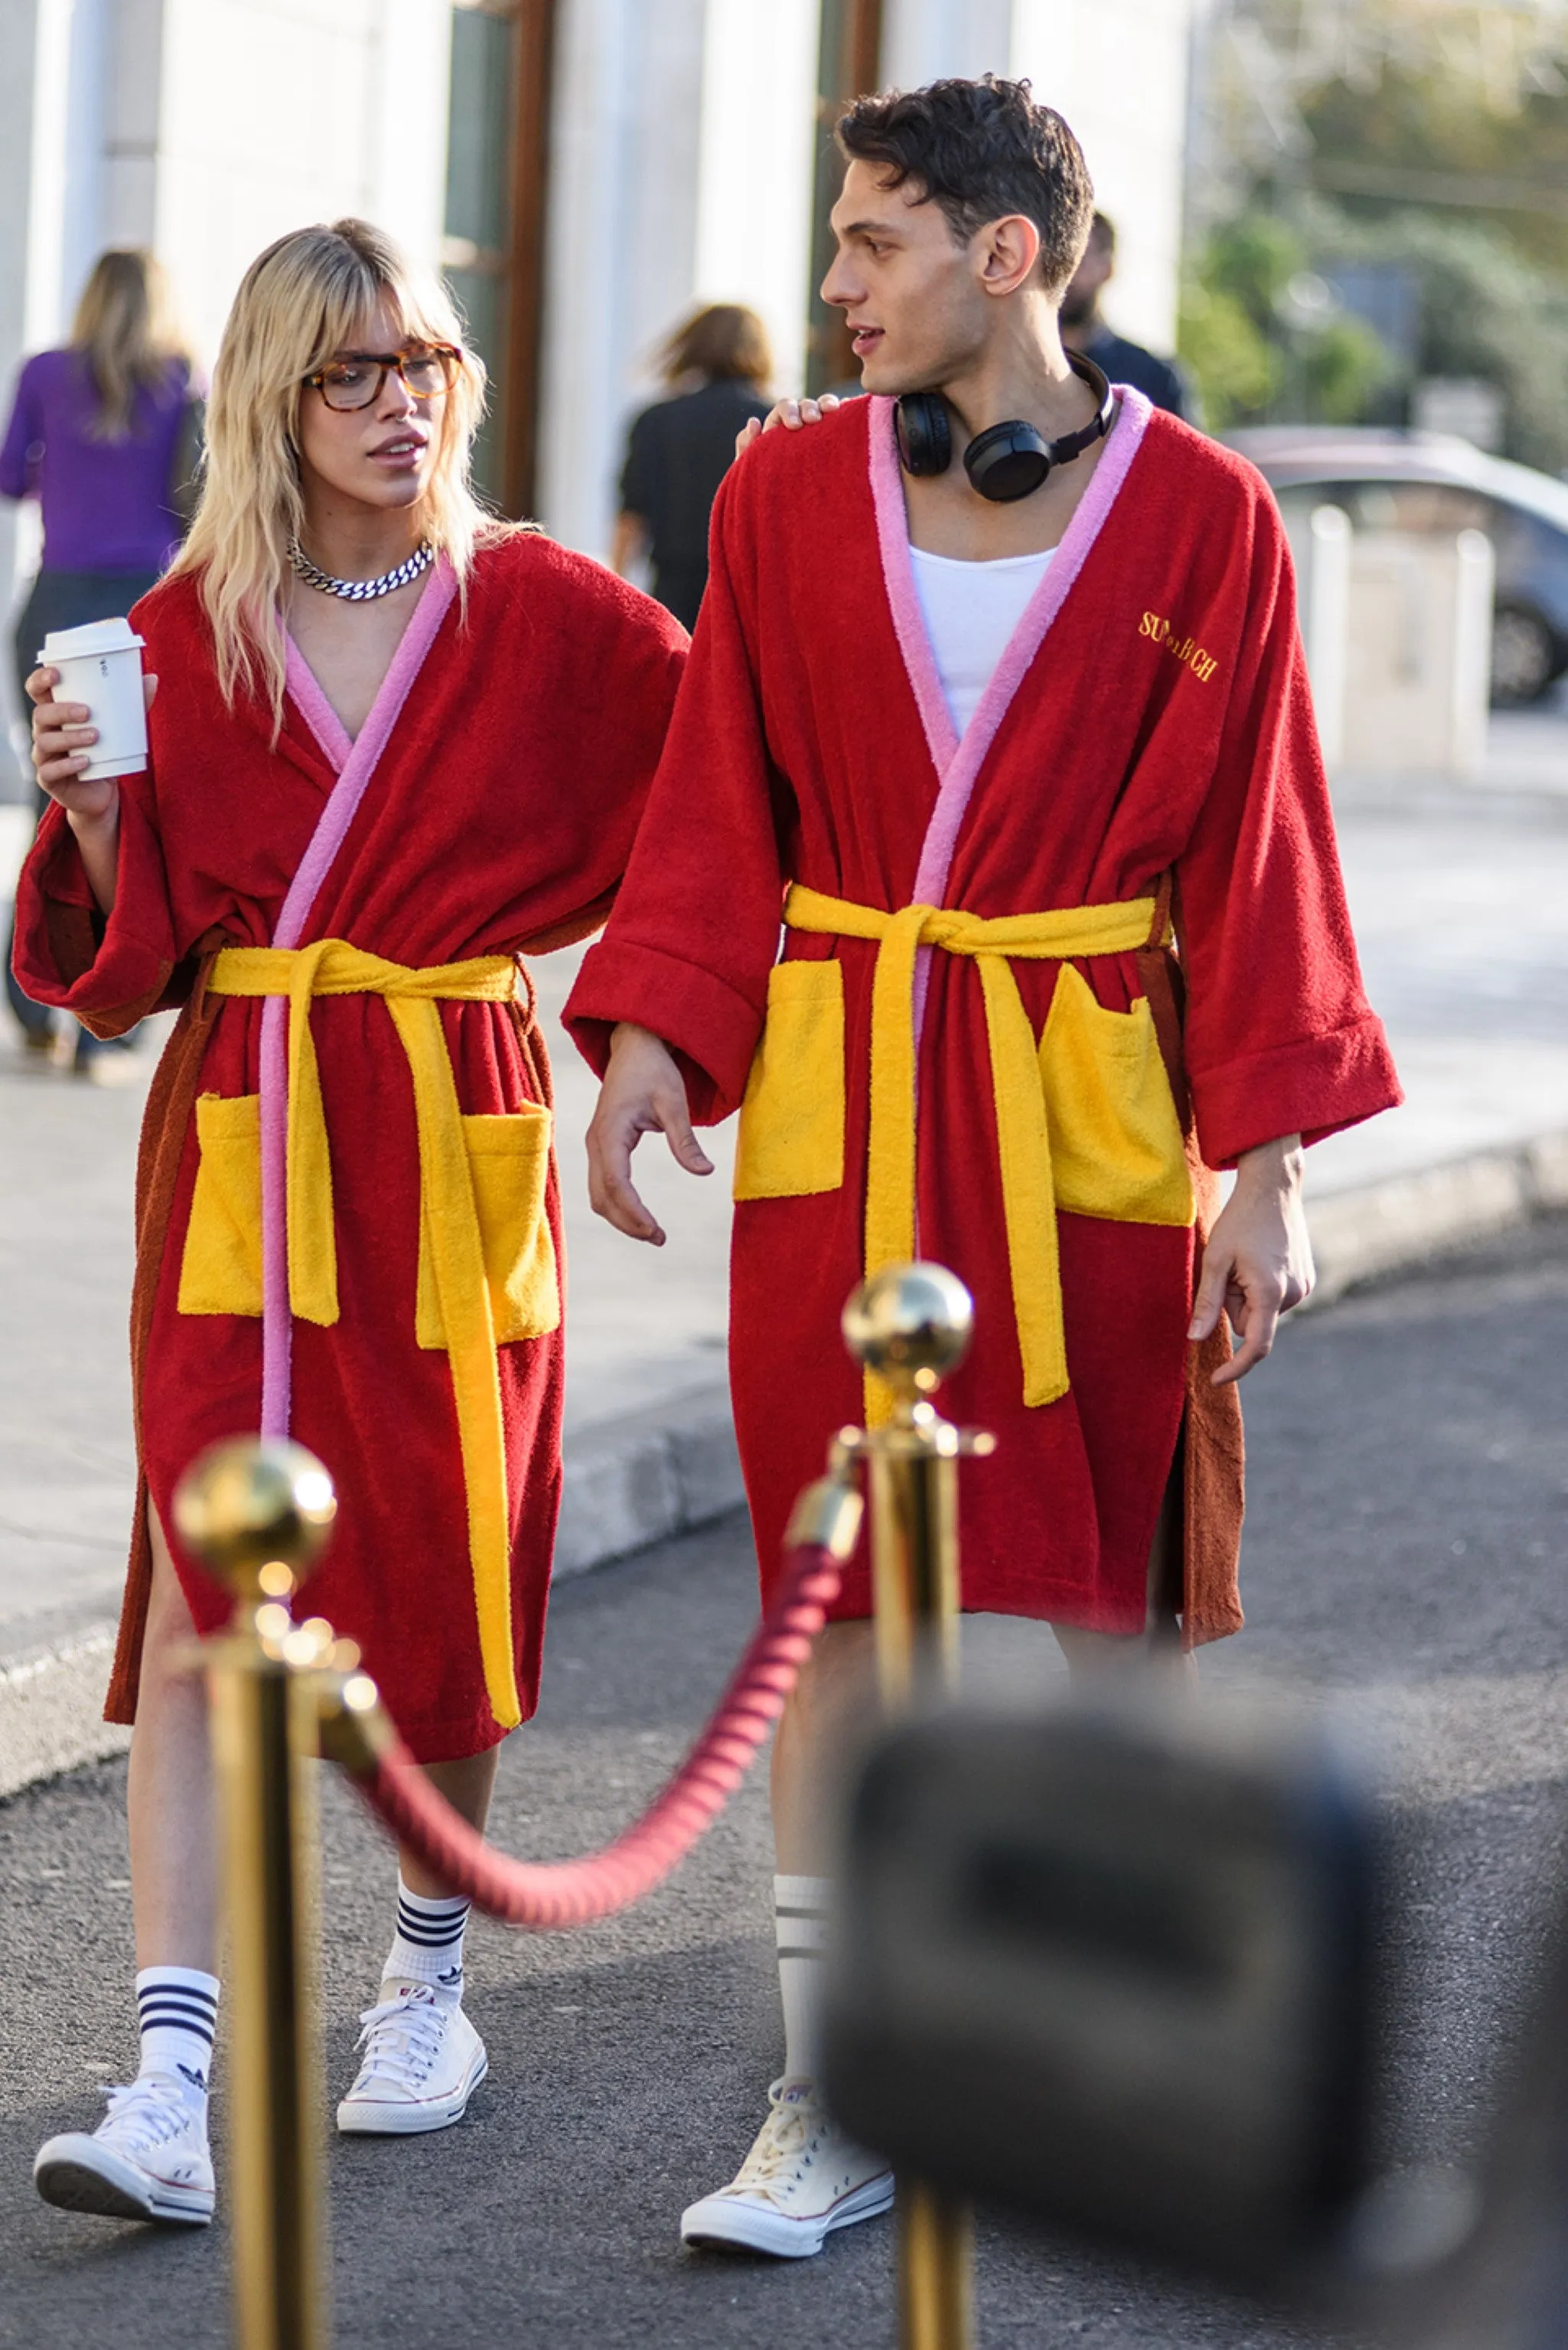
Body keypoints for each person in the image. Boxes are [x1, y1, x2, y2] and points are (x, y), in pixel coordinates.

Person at [565, 75, 1400, 2259]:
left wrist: (1267, 1157)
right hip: (851, 1103)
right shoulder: (775, 498)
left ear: (1009, 254)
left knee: (1114, 1595)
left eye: (874, 243)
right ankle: (834, 2088)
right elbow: (713, 794)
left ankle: (1158, 2041)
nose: (833, 285)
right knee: (838, 1601)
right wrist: (658, 1025)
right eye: (839, 242)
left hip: (1086, 1114)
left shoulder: (1211, 516)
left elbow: (1260, 847)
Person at [14, 217, 684, 2227]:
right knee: (209, 1583)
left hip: (452, 1117)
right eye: (356, 374)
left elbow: (723, 816)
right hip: (239, 1126)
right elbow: (108, 974)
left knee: (442, 1574)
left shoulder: (562, 615)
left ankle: (427, 1982)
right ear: (273, 399)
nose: (406, 405)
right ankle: (166, 2077)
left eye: (431, 365)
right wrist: (104, 822)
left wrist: (652, 1037)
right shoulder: (172, 632)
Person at [2, 249, 201, 1073]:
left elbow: (11, 478)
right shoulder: (179, 378)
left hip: (56, 602)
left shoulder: (46, 372)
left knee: (55, 800)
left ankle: (36, 1003)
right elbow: (196, 500)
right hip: (141, 616)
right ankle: (105, 1021)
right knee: (132, 814)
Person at [612, 304, 772, 631]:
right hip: (746, 591)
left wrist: (617, 593)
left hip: (673, 589)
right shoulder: (769, 421)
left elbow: (631, 515)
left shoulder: (656, 419)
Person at [1060, 211, 1189, 418]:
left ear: (1108, 268)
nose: (1064, 275)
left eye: (1077, 261)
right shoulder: (1014, 366)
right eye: (1055, 260)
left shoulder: (1153, 378)